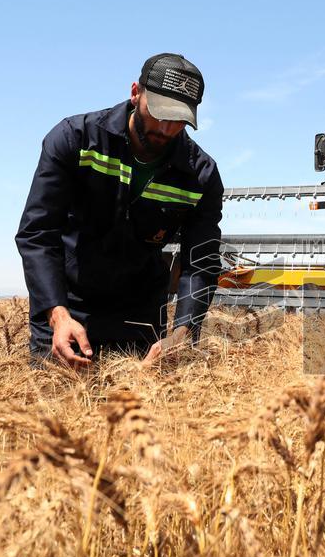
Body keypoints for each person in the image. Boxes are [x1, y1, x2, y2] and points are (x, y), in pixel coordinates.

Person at [15, 53, 223, 367]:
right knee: (54, 410)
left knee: (135, 413)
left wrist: (182, 332)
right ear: (135, 92)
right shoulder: (75, 140)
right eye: (159, 113)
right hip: (67, 307)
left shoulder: (200, 175)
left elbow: (200, 263)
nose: (166, 129)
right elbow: (38, 234)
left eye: (179, 120)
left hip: (139, 316)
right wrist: (57, 315)